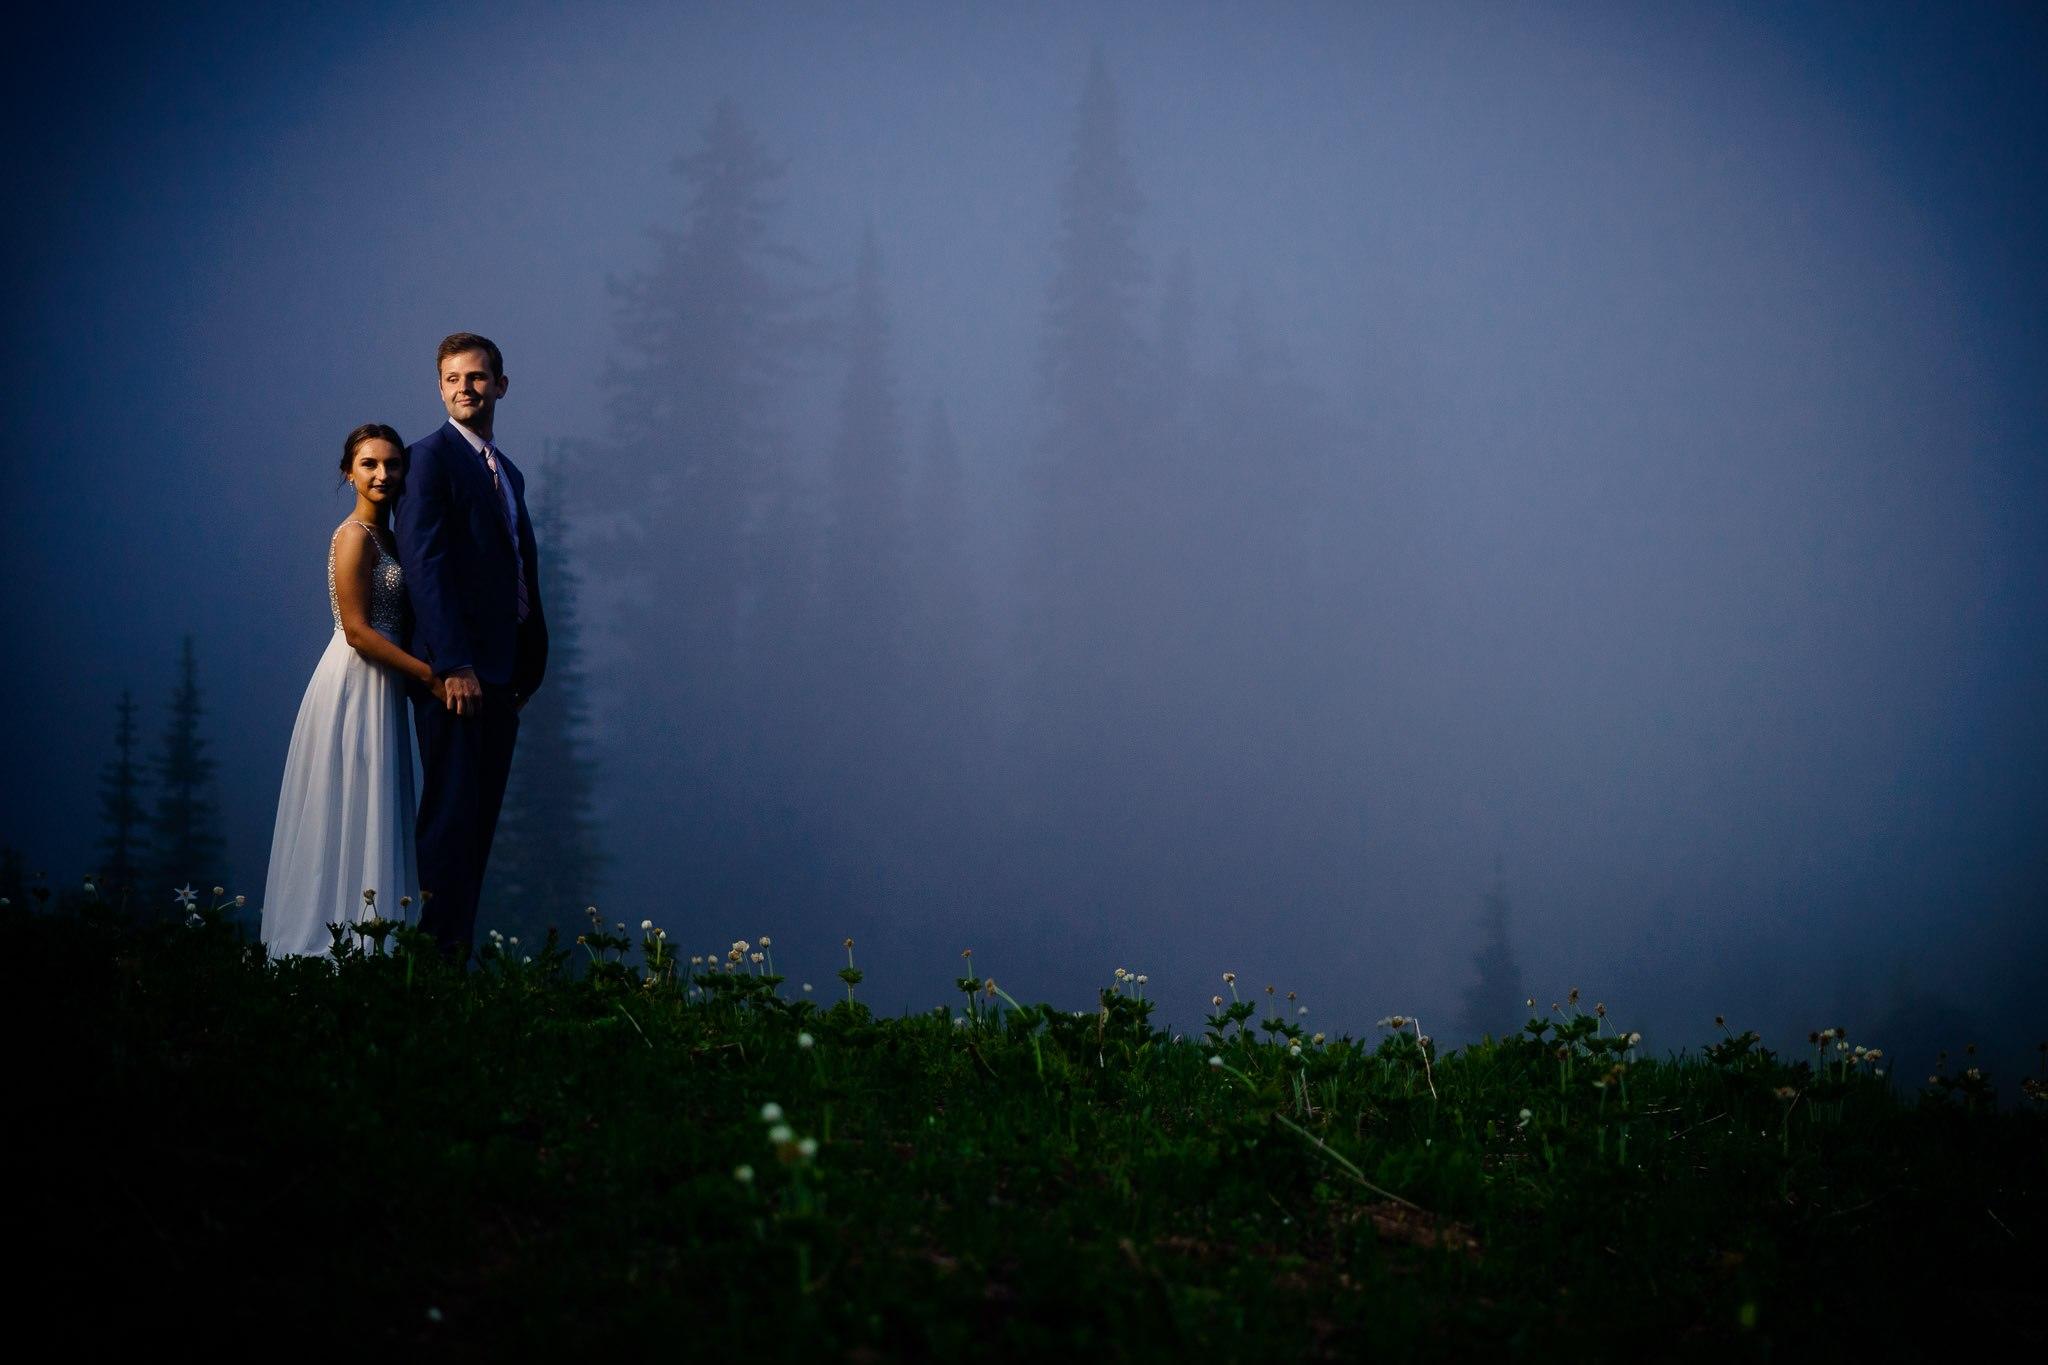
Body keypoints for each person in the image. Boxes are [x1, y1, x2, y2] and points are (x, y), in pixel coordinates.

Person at [260, 424, 443, 956]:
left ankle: (370, 935)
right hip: (356, 679)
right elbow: (359, 631)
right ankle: (324, 939)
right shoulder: (354, 536)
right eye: (369, 464)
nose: (383, 474)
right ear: (349, 473)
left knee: (376, 799)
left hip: (385, 684)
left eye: (392, 464)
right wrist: (427, 673)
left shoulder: (390, 536)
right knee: (345, 797)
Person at [394, 332, 548, 960]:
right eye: (453, 378)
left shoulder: (505, 471)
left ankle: (454, 962)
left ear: (501, 386)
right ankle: (428, 964)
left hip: (503, 680)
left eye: (478, 378)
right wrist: (451, 663)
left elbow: (517, 566)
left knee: (479, 827)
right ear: (440, 387)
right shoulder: (427, 458)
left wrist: (527, 665)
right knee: (451, 821)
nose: (465, 388)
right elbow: (425, 565)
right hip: (454, 678)